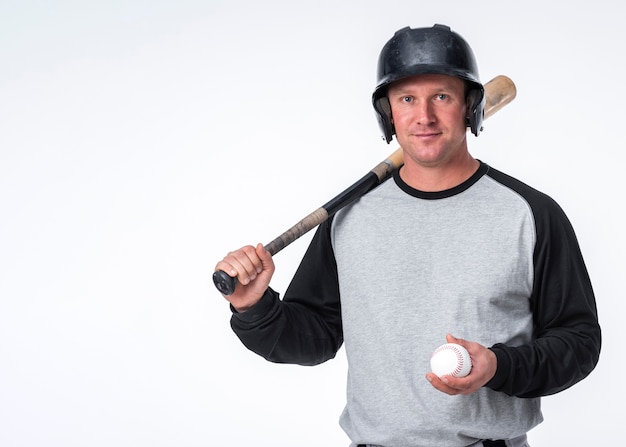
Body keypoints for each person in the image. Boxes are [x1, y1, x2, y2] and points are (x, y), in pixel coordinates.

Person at [214, 24, 601, 447]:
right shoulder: (350, 218)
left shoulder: (529, 214)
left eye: (441, 96)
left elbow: (578, 342)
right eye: (407, 99)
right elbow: (315, 337)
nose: (424, 117)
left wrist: (498, 366)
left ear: (470, 106)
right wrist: (255, 309)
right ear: (388, 113)